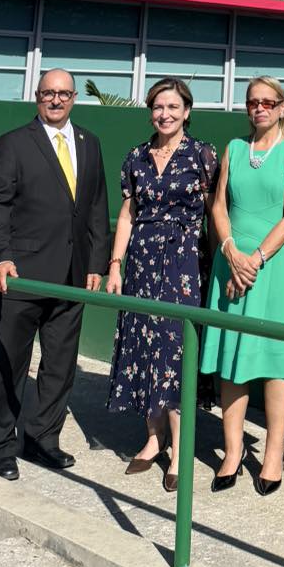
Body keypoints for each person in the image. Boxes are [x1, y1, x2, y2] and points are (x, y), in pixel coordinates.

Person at [0, 68, 110, 480]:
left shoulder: (89, 143)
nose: (56, 100)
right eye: (48, 93)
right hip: (21, 277)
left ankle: (41, 440)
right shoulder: (12, 144)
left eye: (64, 94)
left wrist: (96, 263)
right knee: (9, 364)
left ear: (74, 98)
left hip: (71, 276)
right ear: (36, 96)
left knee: (60, 365)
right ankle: (0, 446)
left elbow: (95, 208)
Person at [200, 76, 284, 496]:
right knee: (233, 360)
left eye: (268, 102)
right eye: (252, 102)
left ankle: (272, 452)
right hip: (230, 266)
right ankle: (231, 451)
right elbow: (218, 206)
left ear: (282, 107)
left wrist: (256, 260)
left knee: (275, 364)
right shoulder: (232, 149)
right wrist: (231, 252)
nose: (259, 108)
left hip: (275, 268)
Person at [106, 78, 218, 493]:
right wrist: (115, 265)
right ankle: (153, 439)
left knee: (175, 348)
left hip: (184, 262)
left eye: (173, 106)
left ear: (187, 111)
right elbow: (127, 216)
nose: (165, 114)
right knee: (142, 344)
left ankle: (181, 448)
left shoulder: (202, 154)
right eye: (158, 107)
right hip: (141, 263)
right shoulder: (135, 157)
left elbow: (214, 214)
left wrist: (217, 266)